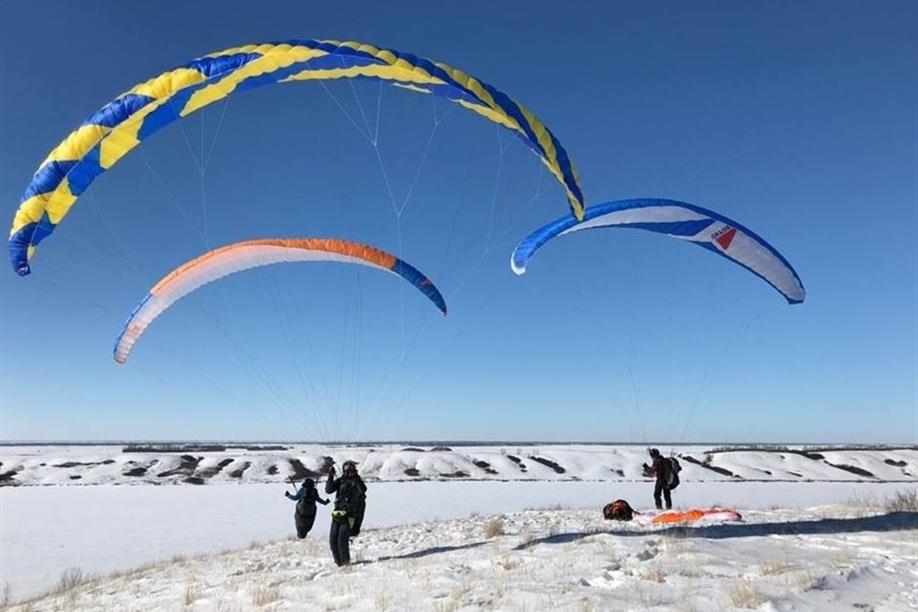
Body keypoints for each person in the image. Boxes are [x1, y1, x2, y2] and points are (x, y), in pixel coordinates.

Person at [325, 460, 367, 566]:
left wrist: (356, 477)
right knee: (333, 540)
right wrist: (330, 476)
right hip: (337, 513)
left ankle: (346, 564)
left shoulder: (357, 481)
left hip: (349, 515)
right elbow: (329, 490)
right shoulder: (341, 480)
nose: (348, 471)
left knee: (342, 540)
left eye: (350, 468)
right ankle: (339, 563)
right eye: (346, 468)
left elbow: (363, 489)